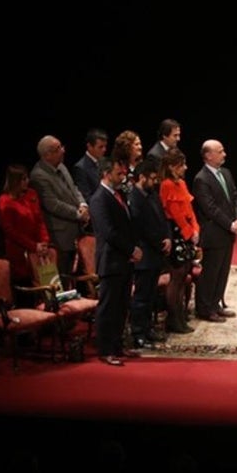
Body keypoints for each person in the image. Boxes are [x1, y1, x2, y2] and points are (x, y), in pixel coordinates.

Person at [88, 155, 142, 366]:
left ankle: (118, 345)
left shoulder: (118, 194)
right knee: (108, 306)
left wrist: (134, 248)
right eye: (118, 172)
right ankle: (106, 350)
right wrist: (131, 249)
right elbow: (108, 232)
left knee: (122, 305)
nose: (122, 176)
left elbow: (127, 225)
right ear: (105, 174)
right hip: (110, 261)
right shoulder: (99, 199)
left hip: (124, 260)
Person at [191, 139, 237, 323]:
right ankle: (204, 309)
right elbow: (210, 208)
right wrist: (230, 224)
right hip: (214, 233)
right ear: (208, 155)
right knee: (211, 273)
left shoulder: (226, 173)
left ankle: (216, 304)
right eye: (220, 151)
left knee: (223, 271)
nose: (224, 154)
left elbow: (236, 198)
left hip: (228, 232)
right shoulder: (201, 179)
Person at [30, 135, 91, 280]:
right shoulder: (38, 176)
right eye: (58, 149)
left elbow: (74, 188)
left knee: (78, 278)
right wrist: (77, 214)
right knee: (63, 276)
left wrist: (83, 204)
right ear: (47, 155)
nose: (63, 150)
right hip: (60, 236)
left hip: (77, 232)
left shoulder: (61, 166)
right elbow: (52, 204)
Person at [128, 158, 173, 345]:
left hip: (157, 253)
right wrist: (159, 242)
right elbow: (140, 226)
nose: (155, 182)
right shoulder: (134, 198)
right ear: (141, 177)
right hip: (145, 254)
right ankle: (138, 332)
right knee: (141, 297)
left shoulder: (152, 194)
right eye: (152, 178)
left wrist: (168, 237)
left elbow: (163, 218)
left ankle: (147, 329)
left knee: (151, 296)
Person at [158, 148, 200, 333]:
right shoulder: (166, 185)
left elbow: (189, 211)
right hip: (176, 235)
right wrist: (189, 233)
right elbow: (176, 215)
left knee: (184, 276)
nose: (185, 168)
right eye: (180, 165)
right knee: (176, 278)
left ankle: (181, 316)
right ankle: (173, 319)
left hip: (188, 234)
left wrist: (196, 230)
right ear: (171, 167)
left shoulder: (181, 183)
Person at [0, 164, 50, 285]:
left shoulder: (32, 194)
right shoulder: (5, 201)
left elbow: (39, 220)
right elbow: (10, 231)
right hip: (20, 253)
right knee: (26, 286)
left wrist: (44, 242)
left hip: (39, 251)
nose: (27, 181)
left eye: (27, 178)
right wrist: (33, 246)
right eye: (23, 179)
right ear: (15, 181)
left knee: (47, 286)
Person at [71, 127, 108, 201]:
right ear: (89, 146)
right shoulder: (80, 168)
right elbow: (86, 197)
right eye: (100, 147)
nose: (104, 150)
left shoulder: (105, 161)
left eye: (105, 146)